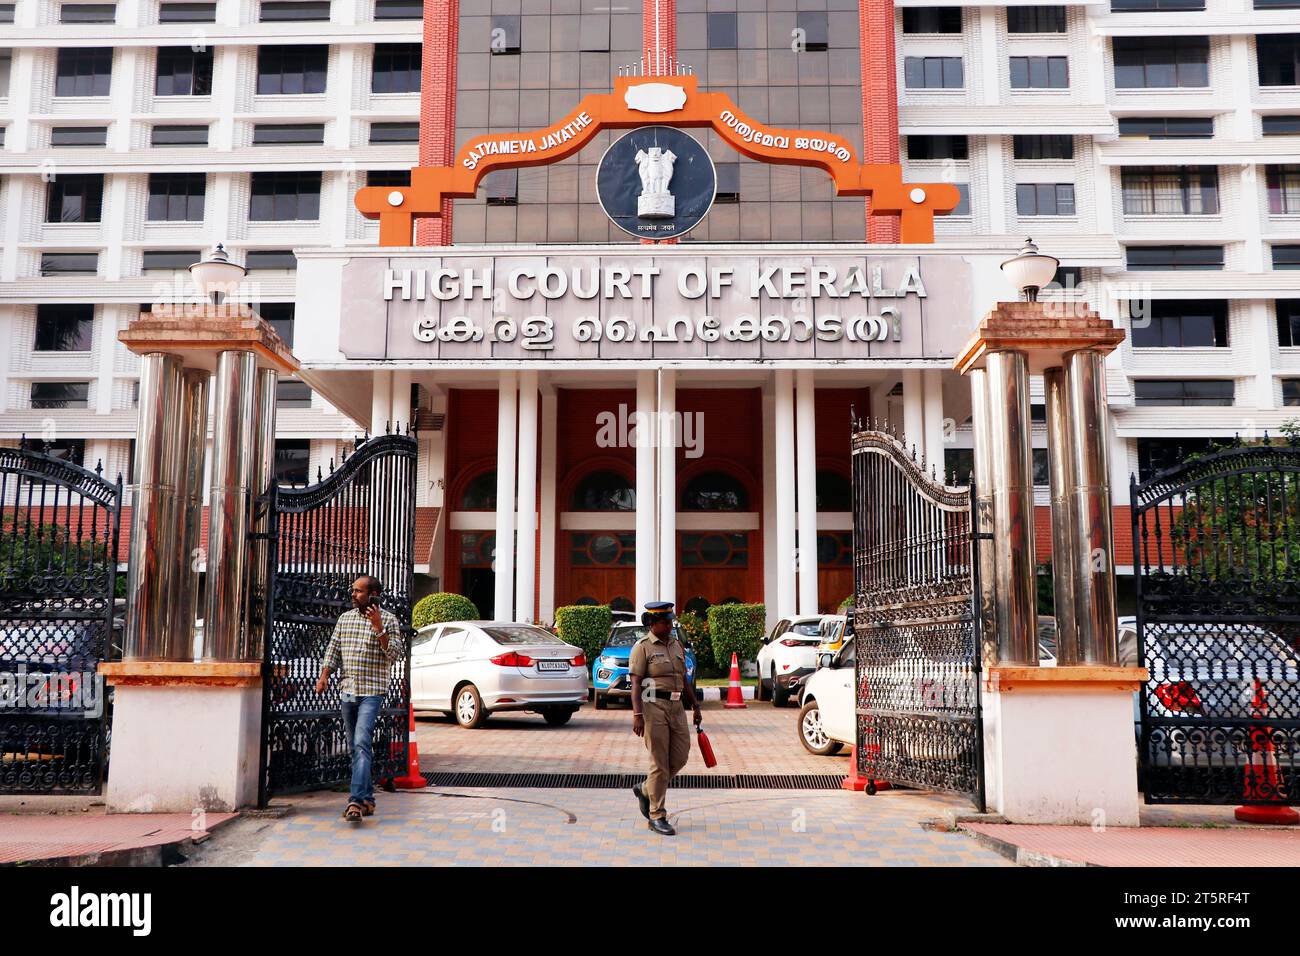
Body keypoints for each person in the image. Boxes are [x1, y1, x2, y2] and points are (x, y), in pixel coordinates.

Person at [315, 575, 404, 822]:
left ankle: (355, 801)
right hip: (348, 690)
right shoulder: (345, 619)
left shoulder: (388, 619)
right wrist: (324, 677)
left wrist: (379, 628)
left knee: (362, 742)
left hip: (372, 692)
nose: (353, 595)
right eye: (353, 590)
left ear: (373, 594)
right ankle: (368, 799)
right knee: (356, 746)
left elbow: (394, 654)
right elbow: (333, 650)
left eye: (358, 591)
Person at [629, 601, 700, 836]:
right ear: (652, 623)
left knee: (680, 755)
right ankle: (657, 815)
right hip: (653, 707)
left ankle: (646, 788)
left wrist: (695, 706)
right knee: (659, 763)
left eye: (670, 621)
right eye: (665, 622)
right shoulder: (642, 648)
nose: (670, 625)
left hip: (677, 707)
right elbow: (636, 684)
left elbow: (685, 678)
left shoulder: (676, 645)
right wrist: (637, 715)